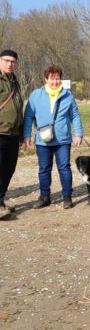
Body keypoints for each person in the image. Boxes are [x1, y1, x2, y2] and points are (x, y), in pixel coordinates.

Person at [23, 65, 83, 209]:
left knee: (64, 168)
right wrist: (27, 134)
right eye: (52, 78)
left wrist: (78, 133)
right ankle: (44, 197)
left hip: (62, 139)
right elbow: (28, 116)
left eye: (57, 78)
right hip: (43, 140)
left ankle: (67, 197)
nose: (55, 81)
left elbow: (75, 115)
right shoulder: (35, 95)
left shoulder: (68, 95)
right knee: (44, 169)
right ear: (46, 79)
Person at [0, 49, 23, 220]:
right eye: (6, 60)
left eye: (13, 61)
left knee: (9, 169)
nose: (10, 64)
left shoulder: (15, 82)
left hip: (13, 134)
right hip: (0, 132)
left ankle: (1, 199)